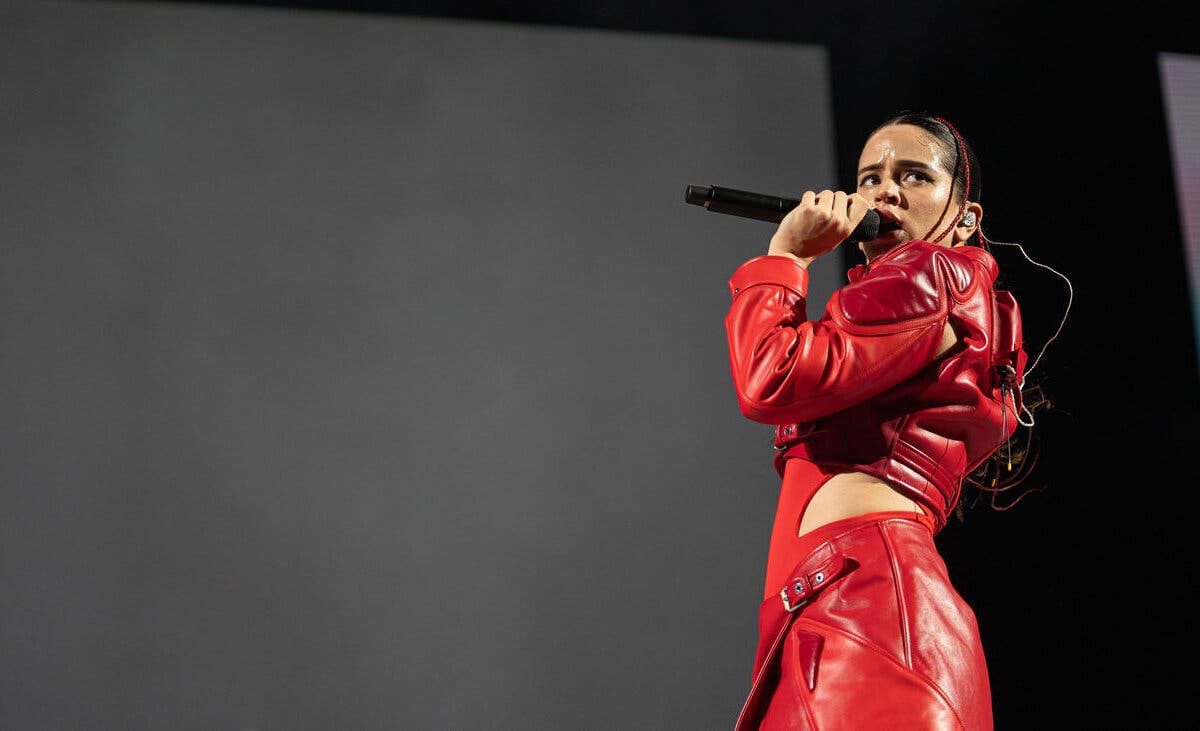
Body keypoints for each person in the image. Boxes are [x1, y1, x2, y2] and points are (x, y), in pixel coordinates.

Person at [724, 112, 1028, 730]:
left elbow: (772, 377)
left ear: (965, 219)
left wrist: (785, 256)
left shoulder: (936, 272)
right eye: (869, 178)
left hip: (869, 611)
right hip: (845, 604)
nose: (884, 192)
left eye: (913, 176)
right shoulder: (906, 307)